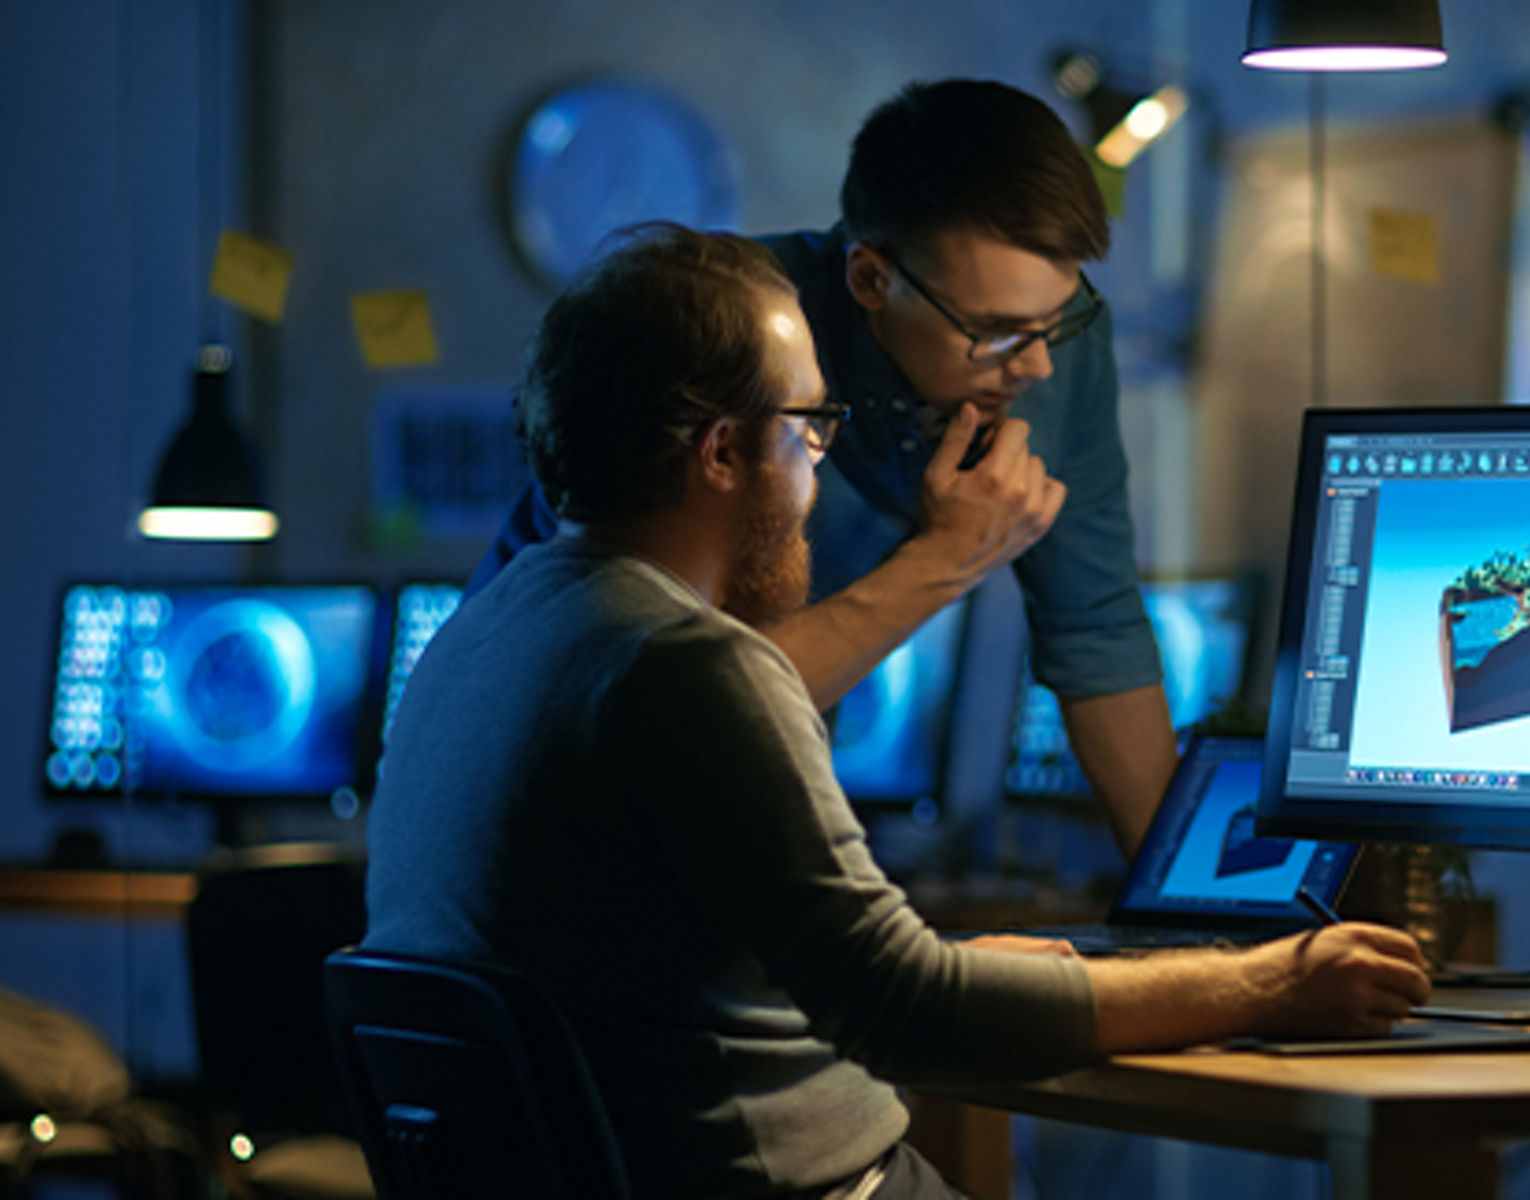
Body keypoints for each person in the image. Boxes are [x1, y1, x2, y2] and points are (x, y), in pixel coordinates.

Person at [365, 225, 1432, 1200]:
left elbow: (795, 973)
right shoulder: (686, 668)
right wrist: (1265, 983)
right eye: (808, 426)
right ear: (722, 453)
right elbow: (905, 1013)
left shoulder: (485, 638)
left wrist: (1020, 965)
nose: (822, 466)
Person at [471, 79, 1174, 856]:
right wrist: (945, 561)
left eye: (1057, 319)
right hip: (552, 790)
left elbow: (1099, 631)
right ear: (870, 278)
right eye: (995, 331)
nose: (1038, 364)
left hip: (757, 778)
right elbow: (681, 715)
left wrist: (1192, 910)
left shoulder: (1054, 347)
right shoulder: (718, 335)